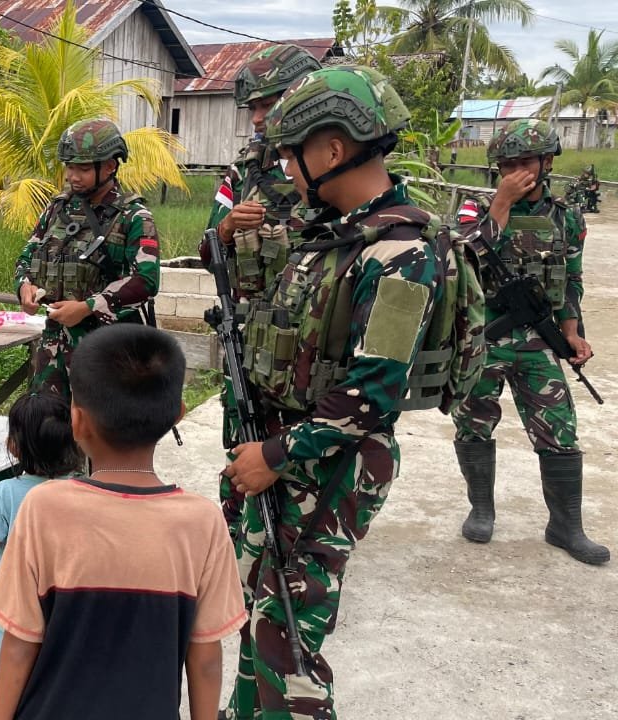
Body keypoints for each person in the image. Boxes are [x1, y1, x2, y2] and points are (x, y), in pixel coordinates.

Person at [221, 67, 439, 718]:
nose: (286, 170)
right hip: (284, 454)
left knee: (287, 645)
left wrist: (275, 455)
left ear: (333, 150)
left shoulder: (401, 254)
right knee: (256, 616)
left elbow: (374, 393)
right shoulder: (332, 234)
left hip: (330, 467)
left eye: (292, 156)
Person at [0, 324, 246, 720]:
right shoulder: (203, 522)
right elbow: (206, 658)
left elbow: (19, 645)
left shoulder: (43, 508)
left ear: (77, 421)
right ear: (177, 415)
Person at [451, 119, 609, 565]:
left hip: (539, 341)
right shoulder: (474, 208)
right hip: (484, 337)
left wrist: (572, 331)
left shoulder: (568, 217)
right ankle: (481, 510)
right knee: (474, 423)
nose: (517, 171)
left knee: (559, 430)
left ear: (547, 162)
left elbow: (571, 278)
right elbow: (463, 260)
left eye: (526, 162)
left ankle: (566, 526)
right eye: (508, 165)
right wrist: (500, 204)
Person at [201, 43, 322, 537]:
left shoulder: (331, 169)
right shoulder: (242, 171)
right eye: (252, 107)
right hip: (250, 337)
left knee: (303, 450)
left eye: (267, 105)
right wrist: (228, 228)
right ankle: (235, 535)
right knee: (242, 433)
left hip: (310, 340)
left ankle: (294, 541)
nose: (256, 118)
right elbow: (207, 249)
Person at [14, 117, 161, 401]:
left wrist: (87, 307)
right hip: (53, 349)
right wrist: (24, 285)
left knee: (99, 424)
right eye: (69, 167)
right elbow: (27, 255)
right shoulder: (57, 209)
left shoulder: (134, 217)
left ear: (110, 166)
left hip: (106, 352)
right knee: (47, 421)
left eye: (82, 169)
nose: (73, 176)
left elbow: (145, 280)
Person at [0, 392, 81, 717]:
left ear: (14, 447)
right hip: (63, 599)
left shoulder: (5, 493)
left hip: (16, 602)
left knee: (8, 667)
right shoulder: (81, 489)